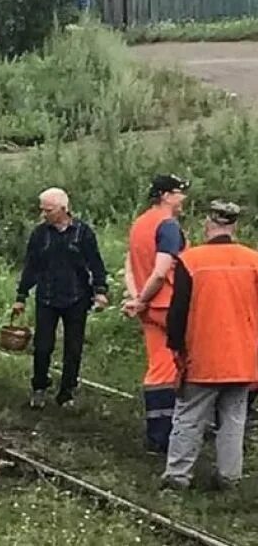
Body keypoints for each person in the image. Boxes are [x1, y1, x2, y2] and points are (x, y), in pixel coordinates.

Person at [161, 201, 258, 490]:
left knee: (189, 416)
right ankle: (229, 477)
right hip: (243, 356)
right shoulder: (253, 260)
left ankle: (178, 476)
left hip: (204, 355)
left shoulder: (191, 260)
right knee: (234, 418)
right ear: (234, 225)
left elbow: (177, 312)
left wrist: (175, 346)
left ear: (208, 223)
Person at [13, 187, 109, 409]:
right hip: (46, 297)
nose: (43, 214)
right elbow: (31, 266)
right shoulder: (39, 234)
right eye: (42, 210)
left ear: (63, 209)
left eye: (48, 210)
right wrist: (21, 295)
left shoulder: (83, 233)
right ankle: (39, 387)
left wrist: (100, 291)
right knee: (42, 346)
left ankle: (67, 392)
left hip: (77, 297)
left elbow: (95, 263)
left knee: (73, 348)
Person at [123, 174, 189, 453]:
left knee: (158, 366)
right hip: (169, 306)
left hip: (149, 309)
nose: (183, 198)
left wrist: (137, 299)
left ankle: (157, 433)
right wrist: (145, 297)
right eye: (179, 192)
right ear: (165, 195)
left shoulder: (140, 223)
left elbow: (129, 265)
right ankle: (170, 434)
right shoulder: (168, 226)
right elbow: (161, 271)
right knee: (179, 366)